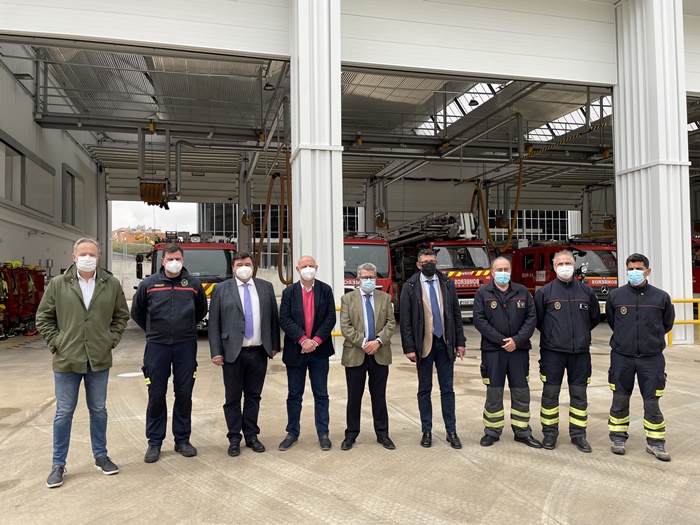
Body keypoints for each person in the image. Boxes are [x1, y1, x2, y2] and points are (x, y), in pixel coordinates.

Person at [36, 238, 129, 488]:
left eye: (93, 253)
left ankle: (101, 456)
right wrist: (58, 343)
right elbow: (43, 317)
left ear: (99, 257)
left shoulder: (110, 283)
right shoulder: (58, 284)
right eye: (83, 253)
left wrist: (109, 340)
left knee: (98, 410)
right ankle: (58, 464)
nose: (88, 257)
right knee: (64, 412)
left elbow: (122, 316)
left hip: (98, 359)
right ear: (74, 257)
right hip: (67, 359)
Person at [130, 243, 208, 463]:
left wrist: (185, 329)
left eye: (179, 259)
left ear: (183, 261)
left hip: (186, 345)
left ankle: (182, 440)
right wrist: (154, 331)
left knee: (184, 394)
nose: (175, 262)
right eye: (170, 259)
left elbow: (201, 309)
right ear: (162, 261)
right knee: (156, 394)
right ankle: (154, 442)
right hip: (157, 347)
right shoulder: (149, 284)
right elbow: (136, 312)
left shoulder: (193, 284)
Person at [208, 252, 280, 457]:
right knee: (232, 399)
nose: (244, 267)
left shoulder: (265, 287)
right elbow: (214, 323)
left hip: (258, 352)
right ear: (233, 268)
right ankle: (234, 438)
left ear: (253, 266)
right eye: (240, 264)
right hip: (232, 353)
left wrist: (274, 345)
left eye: (247, 264)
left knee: (253, 397)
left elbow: (273, 318)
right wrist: (216, 352)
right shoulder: (221, 289)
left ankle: (251, 435)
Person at [605, 253, 675, 461]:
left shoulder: (661, 297)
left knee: (652, 401)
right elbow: (612, 321)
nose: (634, 272)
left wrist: (650, 340)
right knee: (619, 398)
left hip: (651, 358)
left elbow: (667, 324)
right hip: (622, 357)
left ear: (648, 271)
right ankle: (618, 438)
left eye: (638, 269)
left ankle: (656, 443)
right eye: (630, 269)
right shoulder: (616, 296)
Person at [534, 249, 600, 453]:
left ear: (574, 265)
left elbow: (594, 318)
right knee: (550, 395)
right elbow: (538, 320)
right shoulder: (544, 292)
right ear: (554, 268)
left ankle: (578, 435)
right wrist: (555, 335)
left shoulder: (586, 292)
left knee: (579, 395)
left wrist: (579, 335)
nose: (565, 267)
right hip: (552, 352)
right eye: (560, 264)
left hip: (580, 353)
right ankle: (550, 433)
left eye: (568, 263)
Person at [400, 248, 466, 449]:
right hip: (423, 344)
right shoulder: (410, 286)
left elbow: (456, 313)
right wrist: (409, 347)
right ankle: (426, 430)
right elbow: (406, 320)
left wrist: (460, 341)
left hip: (445, 342)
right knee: (424, 389)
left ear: (437, 263)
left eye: (432, 261)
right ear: (418, 265)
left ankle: (451, 431)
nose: (429, 264)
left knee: (447, 389)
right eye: (425, 262)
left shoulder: (447, 283)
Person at [473, 257, 541, 448]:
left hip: (518, 351)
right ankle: (492, 432)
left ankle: (522, 431)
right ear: (492, 272)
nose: (503, 272)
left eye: (506, 268)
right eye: (499, 269)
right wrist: (501, 341)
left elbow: (531, 318)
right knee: (494, 393)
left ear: (511, 270)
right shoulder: (482, 293)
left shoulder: (523, 292)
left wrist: (517, 341)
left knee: (521, 392)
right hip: (493, 352)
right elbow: (479, 320)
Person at [278, 256, 336, 451]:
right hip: (296, 351)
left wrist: (316, 341)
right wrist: (303, 340)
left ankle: (323, 433)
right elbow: (284, 319)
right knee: (294, 394)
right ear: (297, 269)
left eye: (311, 266)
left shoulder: (325, 290)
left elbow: (330, 318)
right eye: (304, 266)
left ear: (317, 268)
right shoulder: (288, 292)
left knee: (321, 394)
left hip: (319, 351)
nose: (308, 269)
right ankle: (292, 432)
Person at [339, 262, 397, 450]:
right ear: (358, 279)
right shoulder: (348, 299)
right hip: (356, 353)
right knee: (354, 397)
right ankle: (351, 434)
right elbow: (346, 326)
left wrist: (378, 342)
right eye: (365, 277)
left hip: (379, 353)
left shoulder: (385, 298)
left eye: (372, 277)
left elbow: (390, 323)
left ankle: (382, 434)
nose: (369, 280)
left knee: (379, 396)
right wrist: (364, 342)